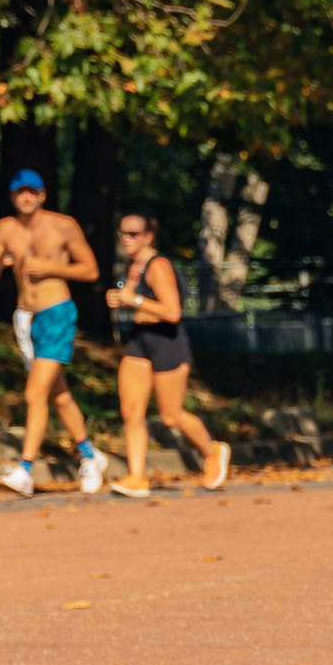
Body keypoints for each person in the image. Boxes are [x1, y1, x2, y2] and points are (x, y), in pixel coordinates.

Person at [0, 167, 104, 496]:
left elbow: (91, 270)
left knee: (35, 394)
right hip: (25, 319)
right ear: (12, 197)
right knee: (58, 396)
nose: (26, 197)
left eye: (32, 191)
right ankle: (90, 456)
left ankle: (25, 469)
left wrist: (52, 268)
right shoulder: (5, 229)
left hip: (58, 313)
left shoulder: (63, 225)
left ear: (42, 195)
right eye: (20, 192)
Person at [104, 208, 230, 497]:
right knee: (131, 412)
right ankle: (137, 477)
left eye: (133, 234)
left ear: (148, 237)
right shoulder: (132, 266)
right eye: (122, 233)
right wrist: (121, 300)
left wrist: (132, 299)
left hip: (167, 341)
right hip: (140, 340)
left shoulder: (158, 265)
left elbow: (172, 312)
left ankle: (212, 452)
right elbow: (138, 303)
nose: (126, 239)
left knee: (171, 415)